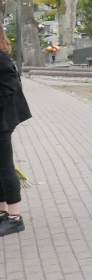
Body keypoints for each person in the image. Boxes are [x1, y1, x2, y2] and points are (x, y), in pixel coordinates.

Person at [0, 26, 31, 237]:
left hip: (2, 121)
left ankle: (14, 217)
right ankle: (3, 210)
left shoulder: (1, 60)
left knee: (5, 167)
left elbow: (8, 90)